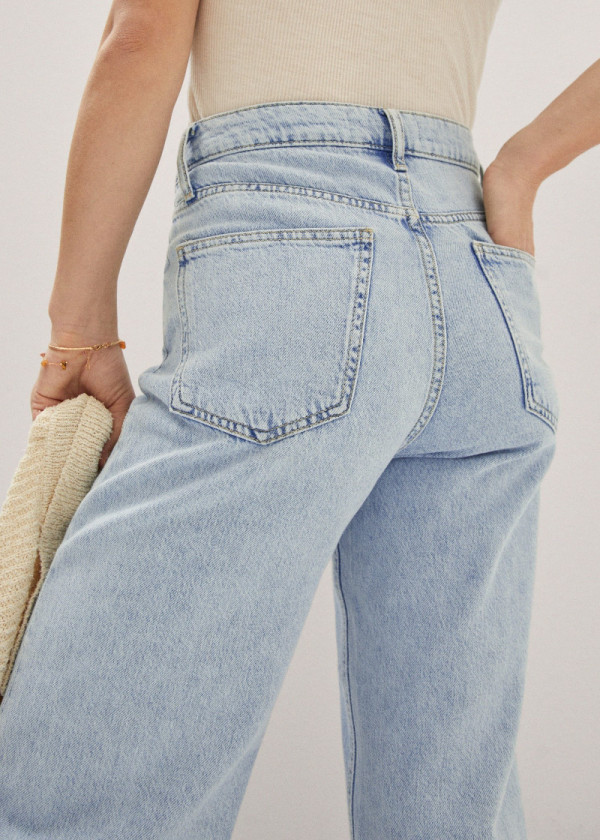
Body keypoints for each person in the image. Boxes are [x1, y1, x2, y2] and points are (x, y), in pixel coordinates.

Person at [0, 1, 598, 837]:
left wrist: (79, 331)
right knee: (450, 798)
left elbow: (140, 36)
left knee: (85, 787)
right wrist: (525, 166)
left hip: (291, 244)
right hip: (479, 276)